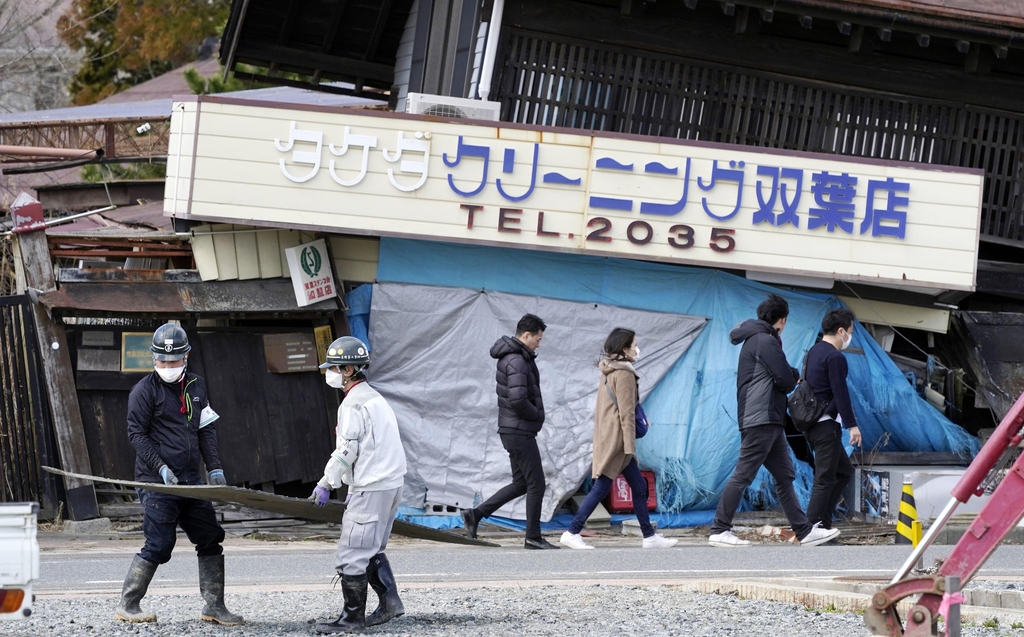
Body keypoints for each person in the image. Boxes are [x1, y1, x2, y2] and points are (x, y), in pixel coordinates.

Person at [116, 323, 243, 625]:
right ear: (153, 359)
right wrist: (160, 467)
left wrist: (214, 467)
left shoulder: (196, 386)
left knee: (210, 536)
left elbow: (206, 428)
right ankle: (128, 604)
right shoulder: (144, 391)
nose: (168, 367)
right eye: (163, 361)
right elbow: (136, 435)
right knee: (159, 544)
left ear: (186, 357)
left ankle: (214, 606)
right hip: (155, 481)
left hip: (191, 481)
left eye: (174, 362)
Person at [709, 294, 840, 548]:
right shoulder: (765, 341)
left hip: (768, 418)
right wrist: (792, 376)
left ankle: (804, 531)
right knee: (744, 474)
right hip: (761, 417)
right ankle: (719, 528)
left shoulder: (760, 340)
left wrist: (789, 373)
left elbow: (781, 371)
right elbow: (785, 380)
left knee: (785, 476)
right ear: (782, 320)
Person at [310, 336, 408, 633]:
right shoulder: (375, 398)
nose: (331, 373)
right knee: (372, 548)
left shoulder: (352, 403)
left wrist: (327, 482)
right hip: (390, 484)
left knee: (352, 553)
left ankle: (351, 620)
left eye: (335, 367)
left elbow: (347, 451)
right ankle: (391, 604)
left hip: (373, 486)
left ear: (349, 370)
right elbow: (373, 446)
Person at [559, 328, 677, 550]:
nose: (637, 348)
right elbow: (626, 412)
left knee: (638, 486)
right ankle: (572, 531)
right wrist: (630, 445)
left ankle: (649, 537)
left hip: (611, 436)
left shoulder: (609, 370)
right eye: (635, 344)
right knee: (602, 486)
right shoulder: (623, 373)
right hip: (619, 440)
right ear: (624, 348)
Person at [461, 314, 559, 550]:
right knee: (537, 484)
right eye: (538, 338)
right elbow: (517, 399)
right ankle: (533, 537)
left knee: (521, 483)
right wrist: (538, 415)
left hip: (513, 429)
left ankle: (475, 514)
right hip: (518, 430)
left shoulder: (516, 356)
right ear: (526, 335)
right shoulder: (516, 359)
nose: (539, 343)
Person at [802, 308, 861, 530]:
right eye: (850, 331)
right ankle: (810, 529)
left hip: (813, 424)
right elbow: (840, 392)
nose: (850, 336)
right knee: (825, 477)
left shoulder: (813, 352)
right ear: (840, 331)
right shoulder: (835, 357)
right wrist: (852, 425)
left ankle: (823, 525)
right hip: (825, 425)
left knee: (843, 471)